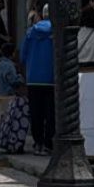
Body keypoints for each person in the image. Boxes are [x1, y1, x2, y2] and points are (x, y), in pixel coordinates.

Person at [21, 10, 54, 155]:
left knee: (36, 113)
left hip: (33, 78)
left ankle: (37, 143)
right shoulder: (58, 31)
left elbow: (23, 55)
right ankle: (48, 143)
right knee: (51, 112)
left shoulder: (30, 32)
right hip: (52, 78)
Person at [0, 43, 24, 119]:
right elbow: (13, 81)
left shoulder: (0, 63)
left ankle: (1, 130)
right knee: (10, 117)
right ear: (12, 53)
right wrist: (20, 77)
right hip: (8, 94)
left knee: (2, 115)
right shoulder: (10, 65)